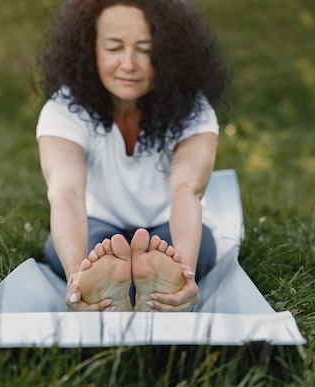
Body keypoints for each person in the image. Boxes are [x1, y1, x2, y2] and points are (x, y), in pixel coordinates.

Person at [35, 0, 229, 312]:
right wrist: (76, 277)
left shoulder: (194, 111)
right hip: (98, 224)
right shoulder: (63, 109)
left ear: (168, 53)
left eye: (145, 49)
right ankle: (107, 286)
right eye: (113, 47)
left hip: (167, 226)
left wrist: (185, 273)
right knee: (87, 252)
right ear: (89, 49)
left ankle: (159, 286)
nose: (128, 63)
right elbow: (65, 192)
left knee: (197, 249)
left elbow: (187, 190)